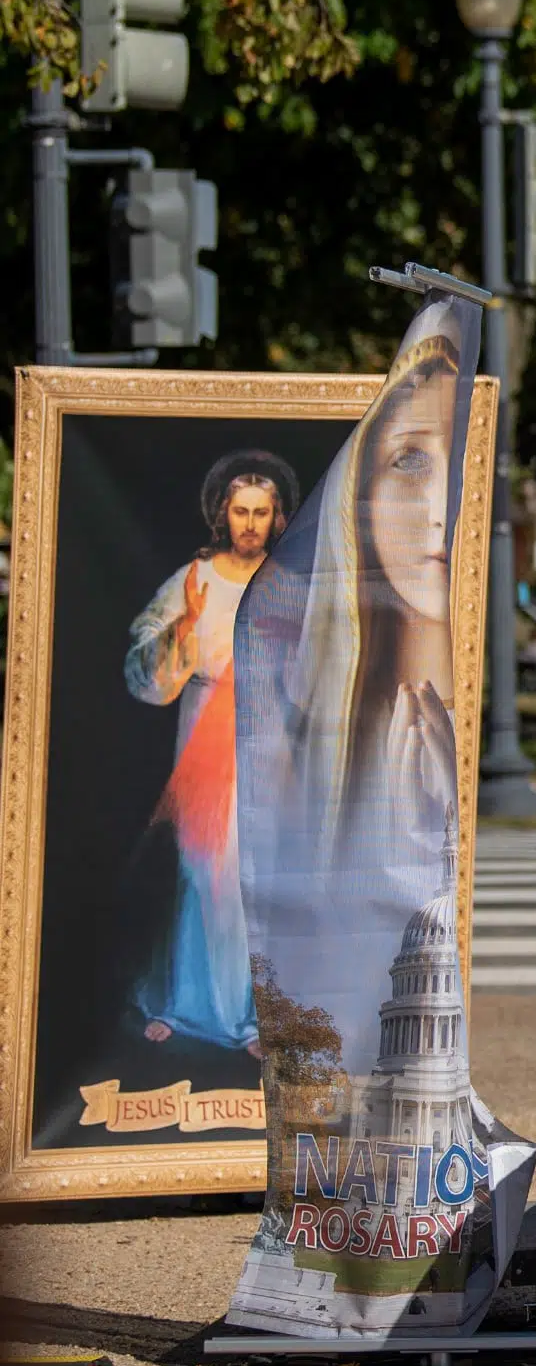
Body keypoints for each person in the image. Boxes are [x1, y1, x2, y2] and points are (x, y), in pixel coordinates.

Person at [124, 450, 301, 1052]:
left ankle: (251, 1018)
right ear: (221, 515)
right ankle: (184, 1003)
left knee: (254, 874)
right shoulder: (194, 581)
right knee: (200, 870)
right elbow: (145, 661)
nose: (249, 523)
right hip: (204, 734)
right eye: (239, 511)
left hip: (266, 734)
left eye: (261, 512)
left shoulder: (287, 580)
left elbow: (319, 661)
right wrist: (183, 627)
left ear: (277, 518)